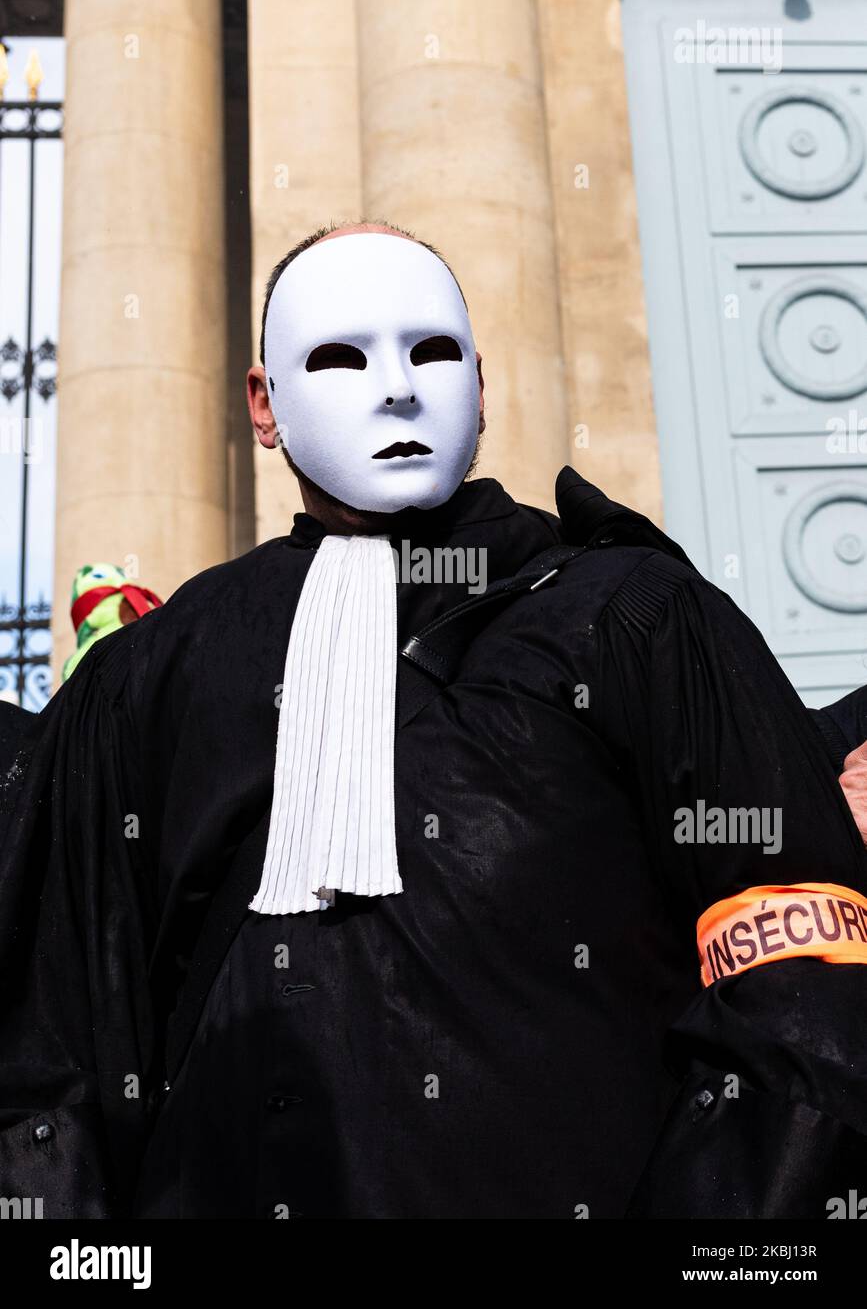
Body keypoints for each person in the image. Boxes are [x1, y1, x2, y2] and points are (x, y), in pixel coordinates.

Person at [2, 220, 867, 1220]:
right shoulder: (150, 678)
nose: (398, 387)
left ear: (483, 387)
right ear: (263, 404)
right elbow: (50, 1056)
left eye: (433, 350)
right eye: (338, 356)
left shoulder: (635, 616)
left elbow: (806, 973)